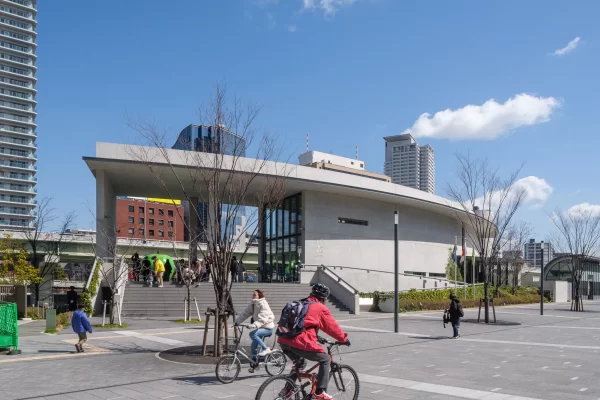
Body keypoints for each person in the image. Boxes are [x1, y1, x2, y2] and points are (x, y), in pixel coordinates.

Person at [278, 283, 349, 400]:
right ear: (324, 298)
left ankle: (287, 390)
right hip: (299, 342)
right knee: (325, 359)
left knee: (300, 363)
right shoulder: (320, 307)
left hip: (284, 340)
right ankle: (320, 392)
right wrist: (343, 339)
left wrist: (316, 336)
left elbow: (303, 325)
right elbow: (332, 327)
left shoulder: (302, 302)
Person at [235, 289, 275, 372]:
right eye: (253, 294)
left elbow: (263, 318)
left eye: (255, 295)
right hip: (260, 327)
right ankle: (255, 363)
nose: (253, 296)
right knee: (253, 346)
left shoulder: (263, 304)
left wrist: (254, 325)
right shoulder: (253, 304)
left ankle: (266, 349)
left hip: (268, 328)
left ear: (259, 296)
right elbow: (245, 314)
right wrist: (237, 322)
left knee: (252, 334)